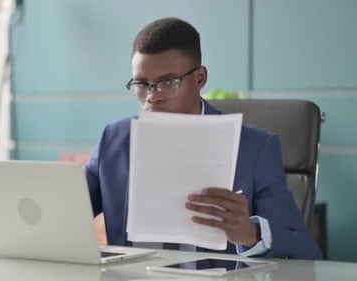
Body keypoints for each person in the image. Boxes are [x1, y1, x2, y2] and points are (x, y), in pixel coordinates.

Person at [85, 17, 322, 259]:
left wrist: (251, 234)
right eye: (142, 84)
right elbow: (66, 211)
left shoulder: (255, 147)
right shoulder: (114, 140)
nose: (152, 97)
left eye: (167, 82)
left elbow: (306, 253)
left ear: (200, 78)